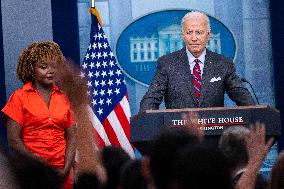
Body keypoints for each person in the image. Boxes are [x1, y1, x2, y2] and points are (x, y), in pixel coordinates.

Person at [140, 11, 255, 111]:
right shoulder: (167, 63)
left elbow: (244, 98)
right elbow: (151, 99)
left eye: (199, 32)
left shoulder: (223, 64)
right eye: (189, 32)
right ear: (183, 35)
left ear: (208, 35)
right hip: (179, 134)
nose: (194, 38)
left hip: (214, 134)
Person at [1, 41, 76, 189]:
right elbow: (14, 140)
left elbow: (72, 137)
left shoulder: (65, 98)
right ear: (31, 68)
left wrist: (66, 169)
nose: (50, 71)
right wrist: (40, 165)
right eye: (43, 67)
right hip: (32, 173)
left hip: (62, 173)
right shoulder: (19, 97)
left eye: (54, 66)